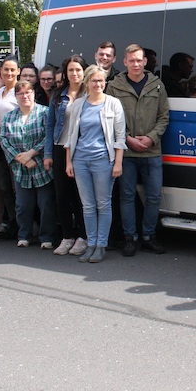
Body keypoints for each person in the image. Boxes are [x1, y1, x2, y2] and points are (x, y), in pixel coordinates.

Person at [107, 44, 170, 255]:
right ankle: (130, 237)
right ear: (124, 62)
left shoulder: (157, 85)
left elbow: (164, 117)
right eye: (131, 60)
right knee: (126, 196)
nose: (135, 64)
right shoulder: (114, 87)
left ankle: (148, 236)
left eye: (139, 60)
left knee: (153, 196)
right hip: (125, 152)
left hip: (151, 151)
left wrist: (151, 138)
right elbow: (110, 118)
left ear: (145, 62)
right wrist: (126, 139)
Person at [64, 65, 126, 263]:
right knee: (88, 206)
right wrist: (69, 162)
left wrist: (118, 163)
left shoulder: (113, 104)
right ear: (87, 83)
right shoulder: (77, 105)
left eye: (101, 81)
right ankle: (90, 244)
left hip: (103, 160)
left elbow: (120, 137)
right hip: (81, 159)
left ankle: (101, 245)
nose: (98, 84)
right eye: (94, 81)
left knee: (103, 204)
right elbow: (70, 136)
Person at [0, 80, 57, 249]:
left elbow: (49, 136)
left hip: (42, 166)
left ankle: (46, 237)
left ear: (33, 93)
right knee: (23, 205)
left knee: (46, 204)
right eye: (21, 94)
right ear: (16, 97)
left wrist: (31, 153)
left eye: (28, 92)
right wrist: (20, 158)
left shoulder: (44, 113)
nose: (25, 96)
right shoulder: (10, 116)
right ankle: (24, 235)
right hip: (20, 168)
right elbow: (3, 139)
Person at [44, 55, 89, 256]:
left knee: (81, 196)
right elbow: (50, 126)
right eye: (71, 70)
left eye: (78, 70)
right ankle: (67, 236)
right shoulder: (57, 95)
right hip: (60, 148)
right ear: (66, 73)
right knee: (62, 195)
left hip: (82, 149)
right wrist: (48, 154)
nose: (75, 73)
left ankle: (82, 237)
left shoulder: (89, 94)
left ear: (84, 71)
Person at [0, 57, 20, 237]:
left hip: (17, 146)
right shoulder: (1, 90)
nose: (9, 73)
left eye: (12, 70)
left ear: (18, 71)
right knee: (5, 187)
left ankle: (22, 225)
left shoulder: (19, 91)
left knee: (18, 188)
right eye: (6, 70)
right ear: (1, 71)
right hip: (2, 146)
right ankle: (12, 222)